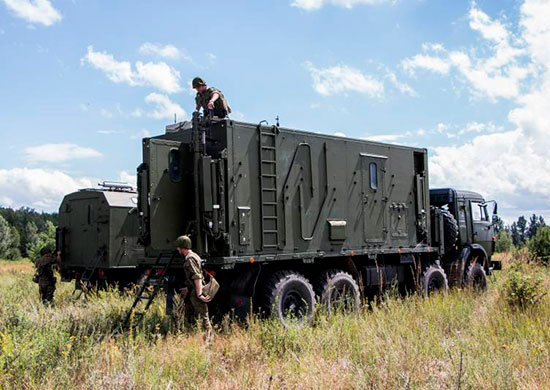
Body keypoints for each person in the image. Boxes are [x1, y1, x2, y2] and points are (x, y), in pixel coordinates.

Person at [174, 235, 213, 340]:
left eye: (178, 247)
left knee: (204, 317)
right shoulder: (194, 255)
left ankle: (209, 342)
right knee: (197, 316)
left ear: (182, 247)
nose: (177, 249)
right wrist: (188, 288)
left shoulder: (189, 259)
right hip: (193, 289)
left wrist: (199, 293)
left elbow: (197, 277)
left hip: (196, 292)